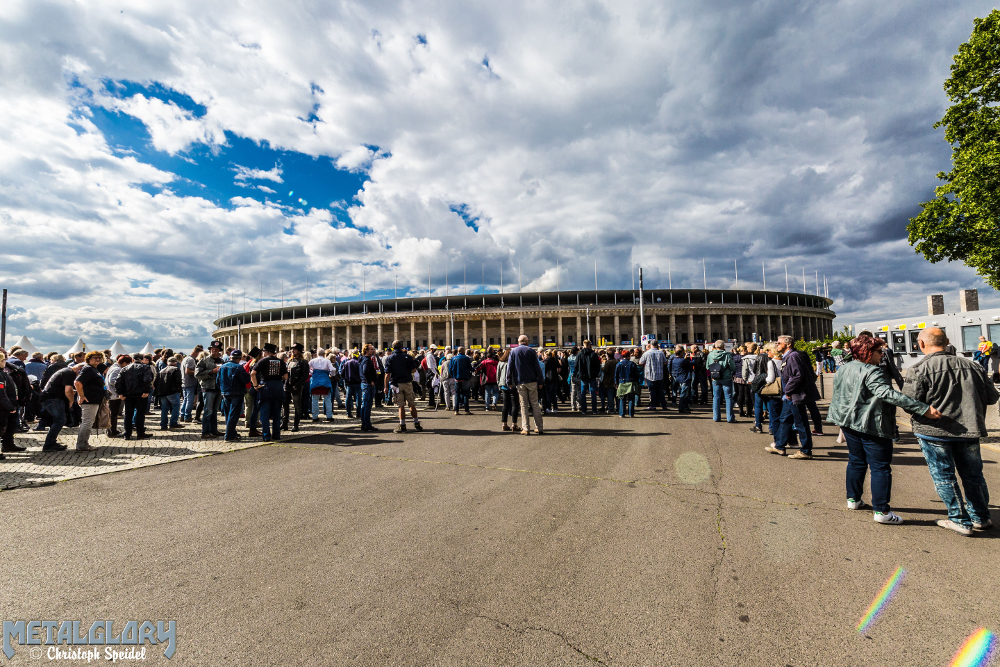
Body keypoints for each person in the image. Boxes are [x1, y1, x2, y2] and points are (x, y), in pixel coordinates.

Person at [827, 334, 940, 525]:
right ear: (868, 353)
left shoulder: (844, 368)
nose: (882, 355)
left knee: (856, 461)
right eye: (879, 352)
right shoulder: (873, 371)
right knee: (880, 467)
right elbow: (887, 393)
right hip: (871, 424)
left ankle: (853, 499)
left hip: (848, 422)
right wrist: (923, 408)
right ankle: (882, 511)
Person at [904, 328, 998, 535]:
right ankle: (981, 517)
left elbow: (909, 403)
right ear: (947, 341)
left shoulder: (918, 369)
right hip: (969, 429)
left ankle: (959, 519)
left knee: (944, 476)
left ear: (920, 344)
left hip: (934, 431)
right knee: (973, 475)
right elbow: (992, 397)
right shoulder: (973, 366)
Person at [766, 336, 819, 458]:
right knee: (785, 420)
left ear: (788, 344)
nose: (776, 345)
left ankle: (806, 450)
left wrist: (788, 391)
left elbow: (797, 376)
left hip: (795, 395)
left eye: (779, 343)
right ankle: (780, 446)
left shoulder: (793, 356)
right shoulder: (788, 356)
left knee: (801, 422)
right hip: (790, 395)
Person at [383, 341, 423, 433]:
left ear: (392, 347)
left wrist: (385, 386)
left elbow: (387, 374)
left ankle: (402, 425)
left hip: (396, 384)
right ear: (401, 346)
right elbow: (413, 369)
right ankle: (417, 424)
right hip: (408, 383)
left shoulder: (390, 358)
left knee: (401, 406)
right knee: (411, 404)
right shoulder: (408, 357)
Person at [508, 335, 544, 435]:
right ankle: (539, 427)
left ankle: (526, 428)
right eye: (528, 340)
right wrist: (540, 381)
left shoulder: (513, 351)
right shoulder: (531, 351)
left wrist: (509, 381)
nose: (529, 342)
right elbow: (537, 367)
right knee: (535, 405)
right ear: (524, 341)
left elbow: (509, 367)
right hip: (532, 381)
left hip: (520, 382)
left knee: (523, 406)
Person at [251, 343, 287, 442]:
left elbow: (252, 373)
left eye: (263, 351)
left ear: (267, 352)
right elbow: (286, 377)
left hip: (265, 387)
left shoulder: (263, 361)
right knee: (276, 413)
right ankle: (276, 434)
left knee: (264, 414)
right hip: (278, 387)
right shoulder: (281, 361)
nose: (262, 353)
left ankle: (266, 435)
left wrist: (255, 385)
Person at [73, 351, 107, 452]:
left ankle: (83, 443)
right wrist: (81, 396)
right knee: (87, 422)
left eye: (99, 358)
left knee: (88, 422)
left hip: (94, 399)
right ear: (89, 358)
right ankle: (82, 445)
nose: (97, 360)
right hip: (89, 399)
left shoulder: (93, 369)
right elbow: (78, 382)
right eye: (95, 358)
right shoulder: (88, 369)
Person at [115, 354, 154, 441]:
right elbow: (147, 379)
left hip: (128, 394)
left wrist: (120, 392)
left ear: (133, 359)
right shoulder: (145, 367)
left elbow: (119, 380)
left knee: (128, 414)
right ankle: (140, 433)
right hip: (141, 394)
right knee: (140, 414)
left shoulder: (125, 368)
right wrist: (146, 390)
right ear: (142, 359)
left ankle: (127, 434)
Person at [218, 349, 252, 442]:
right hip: (237, 393)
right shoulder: (239, 367)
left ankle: (232, 432)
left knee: (228, 414)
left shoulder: (222, 367)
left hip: (225, 393)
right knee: (233, 415)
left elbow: (218, 381)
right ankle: (228, 435)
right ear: (240, 358)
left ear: (230, 357)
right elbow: (246, 380)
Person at [195, 342, 224, 438]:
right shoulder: (204, 361)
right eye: (212, 349)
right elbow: (197, 374)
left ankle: (214, 430)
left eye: (216, 349)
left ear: (219, 350)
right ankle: (205, 432)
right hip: (208, 388)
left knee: (215, 411)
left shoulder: (222, 361)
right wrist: (211, 371)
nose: (214, 350)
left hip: (218, 388)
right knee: (208, 411)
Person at [705, 340, 737, 423]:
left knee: (716, 397)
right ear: (723, 347)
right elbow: (732, 367)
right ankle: (729, 418)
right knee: (728, 397)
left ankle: (716, 417)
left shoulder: (710, 355)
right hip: (726, 378)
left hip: (715, 378)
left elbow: (708, 367)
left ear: (715, 346)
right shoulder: (727, 355)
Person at [283, 344, 308, 432]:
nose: (292, 350)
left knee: (297, 406)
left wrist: (297, 385)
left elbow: (304, 376)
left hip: (296, 386)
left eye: (295, 349)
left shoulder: (303, 362)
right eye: (292, 349)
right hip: (287, 385)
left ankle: (295, 424)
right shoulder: (289, 361)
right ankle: (284, 423)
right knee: (285, 405)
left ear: (299, 351)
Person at [154, 355, 183, 430]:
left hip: (163, 392)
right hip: (172, 392)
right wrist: (180, 391)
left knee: (164, 409)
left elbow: (157, 382)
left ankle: (163, 425)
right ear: (175, 363)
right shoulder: (176, 369)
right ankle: (173, 423)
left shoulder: (161, 370)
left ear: (167, 363)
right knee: (176, 407)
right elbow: (178, 381)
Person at [742, 343, 765, 432]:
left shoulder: (747, 358)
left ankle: (758, 421)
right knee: (762, 401)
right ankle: (763, 416)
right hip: (762, 380)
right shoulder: (762, 357)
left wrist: (745, 380)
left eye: (747, 347)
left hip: (751, 380)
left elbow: (745, 371)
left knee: (755, 402)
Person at [0, 352, 20, 455]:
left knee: (7, 427)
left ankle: (8, 445)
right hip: (3, 407)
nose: (5, 362)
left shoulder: (3, 373)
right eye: (3, 360)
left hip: (6, 405)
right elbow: (1, 394)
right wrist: (9, 406)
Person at [308, 347, 336, 422]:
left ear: (317, 354)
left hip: (315, 381)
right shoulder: (327, 361)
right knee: (327, 399)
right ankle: (329, 416)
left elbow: (307, 369)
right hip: (325, 381)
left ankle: (315, 417)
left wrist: (312, 373)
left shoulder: (312, 361)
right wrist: (331, 374)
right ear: (324, 354)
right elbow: (333, 369)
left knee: (315, 400)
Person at [639, 342, 668, 412]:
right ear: (657, 345)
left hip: (650, 375)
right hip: (659, 374)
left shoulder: (646, 353)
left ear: (651, 345)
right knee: (660, 391)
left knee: (652, 391)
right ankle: (664, 405)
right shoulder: (660, 353)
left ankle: (653, 405)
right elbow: (665, 361)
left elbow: (641, 362)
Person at [497, 349, 521, 432]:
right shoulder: (514, 363)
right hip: (513, 385)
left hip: (503, 385)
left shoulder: (500, 362)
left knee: (505, 405)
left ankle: (504, 424)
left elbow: (498, 374)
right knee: (515, 405)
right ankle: (514, 424)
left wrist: (499, 385)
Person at [576, 341, 601, 414]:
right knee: (593, 392)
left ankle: (584, 409)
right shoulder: (593, 354)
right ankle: (594, 410)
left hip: (583, 376)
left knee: (583, 393)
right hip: (592, 375)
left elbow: (576, 365)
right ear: (589, 345)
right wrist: (596, 373)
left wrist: (579, 373)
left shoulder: (579, 354)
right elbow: (597, 365)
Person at [359, 344, 379, 431]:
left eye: (374, 349)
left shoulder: (362, 359)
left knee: (364, 404)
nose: (373, 350)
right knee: (367, 405)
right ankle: (367, 424)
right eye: (371, 349)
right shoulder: (367, 360)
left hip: (364, 383)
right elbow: (365, 371)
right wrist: (370, 381)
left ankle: (364, 424)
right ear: (366, 351)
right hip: (367, 384)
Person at [614, 349, 640, 417]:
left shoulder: (618, 364)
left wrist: (616, 383)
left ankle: (622, 414)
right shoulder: (632, 364)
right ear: (629, 356)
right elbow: (637, 374)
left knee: (622, 398)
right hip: (631, 382)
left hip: (622, 382)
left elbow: (616, 375)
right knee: (631, 399)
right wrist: (637, 381)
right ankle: (631, 414)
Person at [449, 347, 473, 415]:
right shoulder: (466, 358)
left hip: (457, 379)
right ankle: (466, 410)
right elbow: (470, 368)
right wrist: (474, 370)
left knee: (457, 394)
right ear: (463, 351)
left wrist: (454, 376)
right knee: (465, 395)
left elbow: (450, 369)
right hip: (465, 378)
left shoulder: (453, 358)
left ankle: (456, 411)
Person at [180, 345, 202, 422]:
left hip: (184, 382)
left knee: (185, 400)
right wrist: (197, 373)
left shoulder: (185, 358)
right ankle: (187, 416)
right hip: (190, 382)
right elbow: (188, 371)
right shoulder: (191, 360)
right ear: (197, 352)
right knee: (190, 400)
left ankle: (183, 415)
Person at [669, 348, 692, 413]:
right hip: (684, 377)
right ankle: (681, 407)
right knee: (684, 393)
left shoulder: (674, 360)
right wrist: (691, 357)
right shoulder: (682, 360)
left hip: (679, 377)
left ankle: (685, 406)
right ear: (680, 353)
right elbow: (692, 363)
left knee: (684, 392)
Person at [342, 352, 362, 419]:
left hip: (349, 383)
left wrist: (345, 379)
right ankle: (358, 413)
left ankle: (348, 413)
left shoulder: (347, 363)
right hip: (358, 383)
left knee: (348, 398)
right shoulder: (359, 363)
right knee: (358, 398)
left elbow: (342, 373)